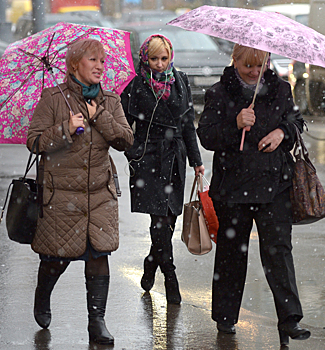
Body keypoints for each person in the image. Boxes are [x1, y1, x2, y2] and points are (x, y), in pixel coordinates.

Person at [196, 44, 310, 348]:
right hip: (233, 189)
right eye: (248, 65)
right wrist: (235, 125)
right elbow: (206, 136)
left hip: (275, 186)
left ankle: (290, 320)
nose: (254, 71)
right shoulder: (219, 93)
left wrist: (282, 133)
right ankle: (225, 316)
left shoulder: (282, 89)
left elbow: (298, 122)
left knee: (278, 252)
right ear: (235, 61)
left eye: (260, 65)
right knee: (232, 255)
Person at [26, 39, 133, 345]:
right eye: (93, 60)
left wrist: (99, 116)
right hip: (61, 197)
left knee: (99, 257)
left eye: (103, 60)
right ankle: (43, 294)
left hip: (100, 195)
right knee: (56, 259)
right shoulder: (52, 99)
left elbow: (126, 140)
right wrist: (64, 129)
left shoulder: (110, 101)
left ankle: (96, 322)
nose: (100, 66)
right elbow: (34, 142)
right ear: (75, 65)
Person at [120, 34, 204, 304]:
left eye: (163, 58)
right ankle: (170, 276)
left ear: (170, 57)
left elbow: (188, 122)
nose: (158, 64)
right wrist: (132, 151)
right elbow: (121, 124)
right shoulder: (134, 86)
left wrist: (196, 160)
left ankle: (151, 261)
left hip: (175, 157)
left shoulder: (180, 81)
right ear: (145, 58)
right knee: (158, 220)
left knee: (169, 219)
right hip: (148, 159)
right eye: (154, 59)